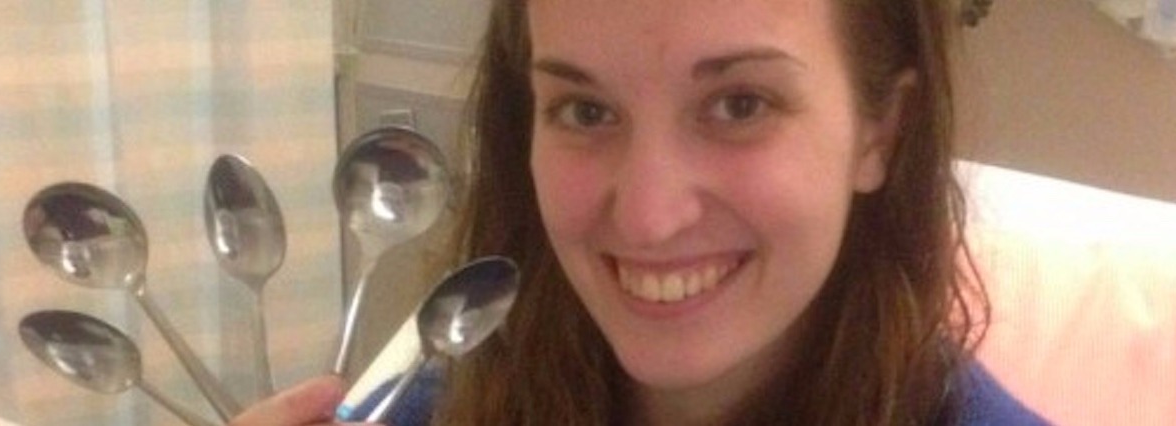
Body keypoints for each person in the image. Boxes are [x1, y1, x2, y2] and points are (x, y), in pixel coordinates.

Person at [234, 0, 1049, 424]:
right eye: (585, 111)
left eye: (739, 104)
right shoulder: (447, 401)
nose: (651, 217)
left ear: (881, 132)